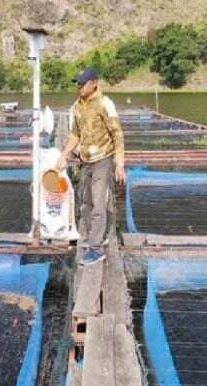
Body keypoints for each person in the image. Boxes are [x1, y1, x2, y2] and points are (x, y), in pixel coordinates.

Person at [56, 67, 126, 265]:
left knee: (97, 202)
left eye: (83, 83)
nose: (79, 86)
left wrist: (119, 164)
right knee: (84, 201)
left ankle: (96, 249)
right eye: (77, 83)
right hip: (85, 159)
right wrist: (64, 155)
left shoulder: (105, 104)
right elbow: (74, 135)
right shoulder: (76, 107)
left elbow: (117, 134)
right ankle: (96, 236)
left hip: (103, 159)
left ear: (94, 82)